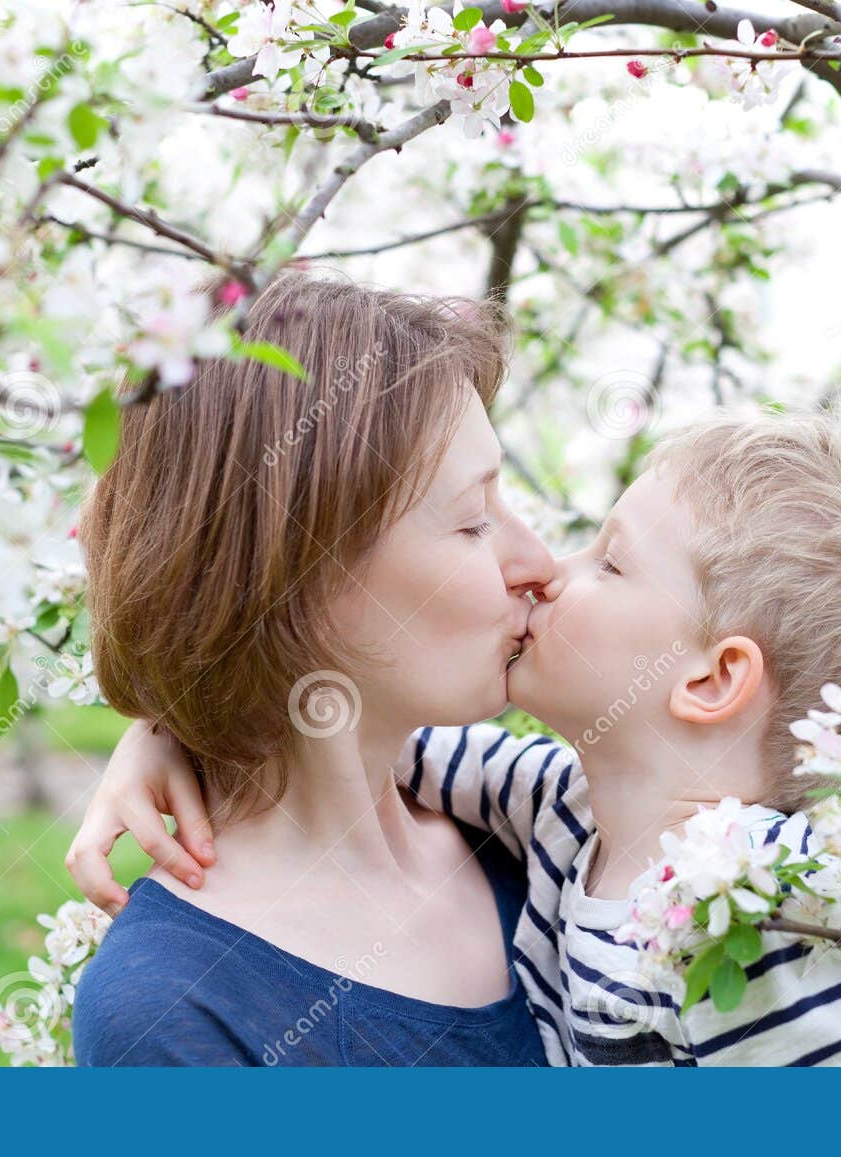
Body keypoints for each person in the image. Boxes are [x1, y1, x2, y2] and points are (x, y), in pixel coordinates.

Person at [74, 409, 841, 1065]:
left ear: (713, 679)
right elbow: (351, 729)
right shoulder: (558, 812)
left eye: (608, 563)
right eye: (471, 519)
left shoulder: (769, 918)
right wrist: (177, 724)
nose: (546, 570)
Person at [68, 268, 555, 1066]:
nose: (537, 561)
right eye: (473, 523)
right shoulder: (177, 1010)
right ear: (295, 575)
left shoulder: (533, 831)